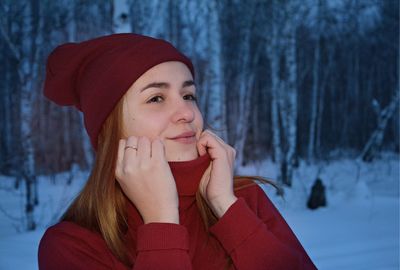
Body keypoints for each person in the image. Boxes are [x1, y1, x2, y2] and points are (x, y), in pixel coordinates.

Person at [38, 33, 317, 270]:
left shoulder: (243, 199)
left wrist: (226, 207)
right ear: (109, 127)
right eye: (156, 98)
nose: (186, 112)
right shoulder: (72, 245)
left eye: (189, 95)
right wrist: (161, 224)